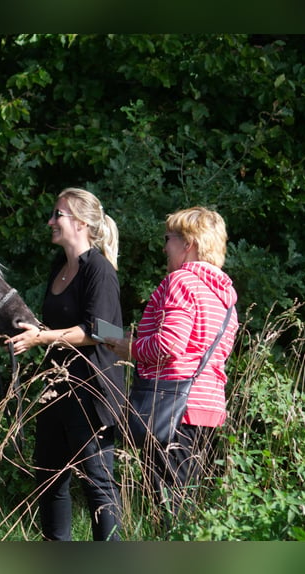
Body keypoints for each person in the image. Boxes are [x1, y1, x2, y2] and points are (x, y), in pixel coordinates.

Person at [105, 206, 239, 531]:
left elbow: (169, 346)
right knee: (186, 507)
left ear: (188, 243)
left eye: (169, 239)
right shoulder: (225, 297)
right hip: (206, 409)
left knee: (167, 514)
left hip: (171, 410)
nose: (165, 247)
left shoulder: (181, 281)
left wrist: (128, 347)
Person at [7, 187, 125, 541]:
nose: (51, 221)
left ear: (81, 222)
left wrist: (42, 338)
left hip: (92, 392)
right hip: (56, 388)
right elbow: (61, 327)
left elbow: (101, 331)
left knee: (97, 485)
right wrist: (33, 333)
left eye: (58, 214)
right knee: (49, 478)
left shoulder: (99, 271)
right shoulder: (59, 267)